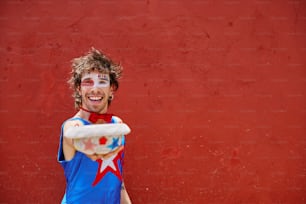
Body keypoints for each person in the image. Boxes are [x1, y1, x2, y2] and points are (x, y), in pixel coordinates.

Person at [57, 48, 132, 204]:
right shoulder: (72, 126)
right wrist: (96, 149)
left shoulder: (116, 125)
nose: (95, 88)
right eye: (88, 82)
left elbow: (118, 181)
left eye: (102, 81)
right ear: (79, 88)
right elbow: (74, 134)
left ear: (112, 89)